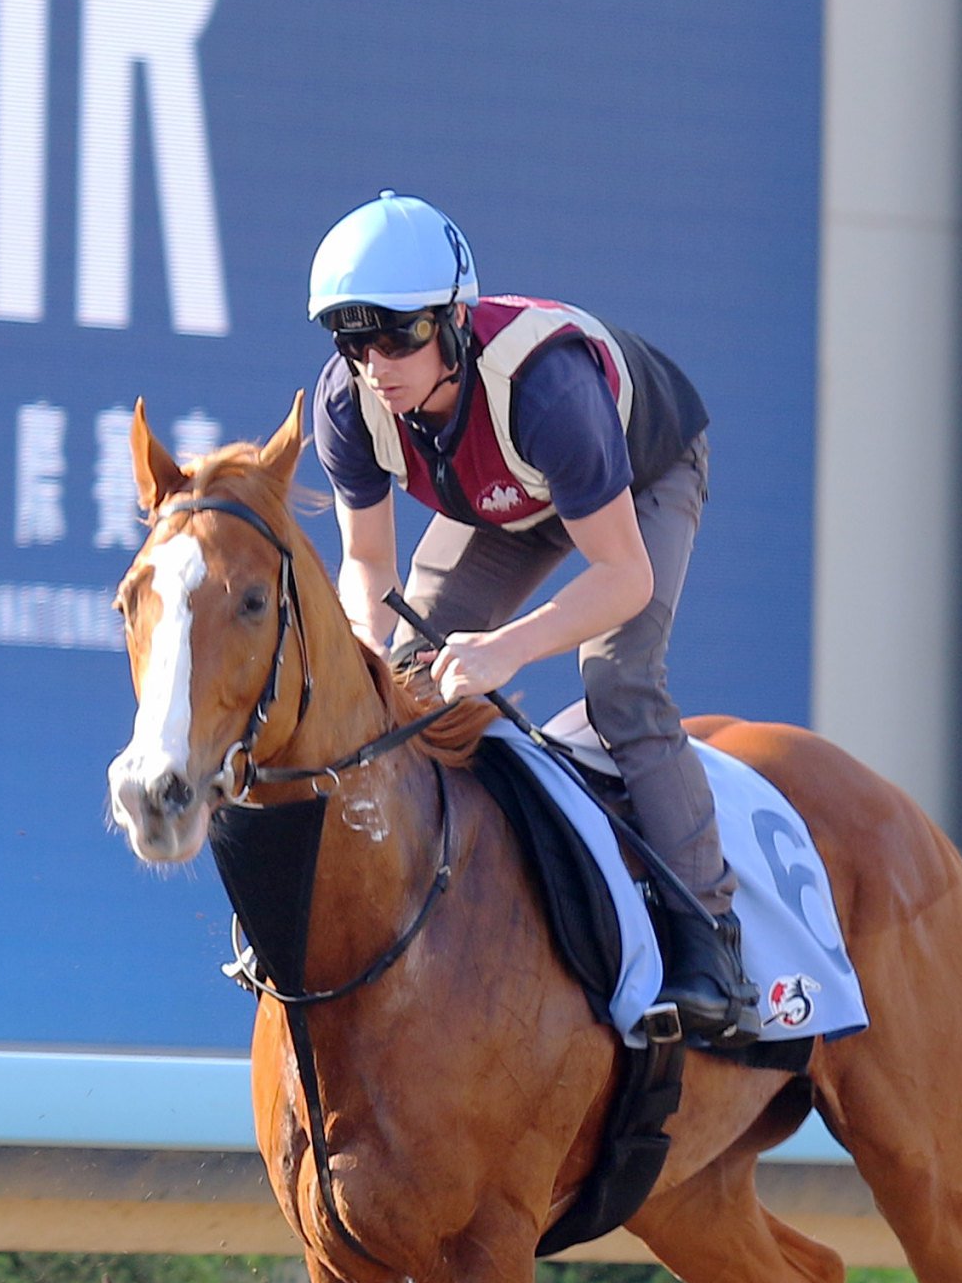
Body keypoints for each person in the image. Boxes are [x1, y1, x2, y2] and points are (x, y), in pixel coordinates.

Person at [302, 192, 748, 1045]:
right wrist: (368, 665)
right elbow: (366, 568)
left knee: (616, 682)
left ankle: (708, 940)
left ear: (457, 322)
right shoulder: (345, 404)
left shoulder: (548, 393)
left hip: (640, 471)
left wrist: (505, 650)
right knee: (406, 682)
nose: (376, 366)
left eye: (398, 337)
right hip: (506, 495)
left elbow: (621, 577)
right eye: (353, 343)